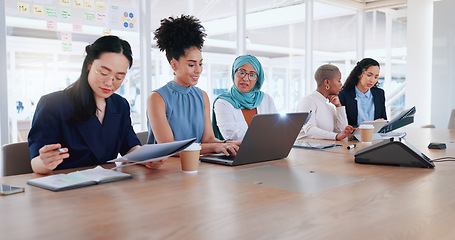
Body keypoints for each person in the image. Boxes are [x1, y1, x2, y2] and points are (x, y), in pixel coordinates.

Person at [28, 35, 158, 174]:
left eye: (119, 77)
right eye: (103, 73)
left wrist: (147, 157)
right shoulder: (52, 104)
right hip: (66, 186)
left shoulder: (120, 105)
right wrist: (45, 162)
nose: (109, 83)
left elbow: (130, 147)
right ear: (89, 64)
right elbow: (36, 162)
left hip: (107, 184)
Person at [147, 15, 240, 158]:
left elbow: (208, 139)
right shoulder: (157, 98)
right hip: (165, 170)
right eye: (191, 65)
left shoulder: (202, 96)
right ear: (174, 64)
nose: (198, 70)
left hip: (196, 166)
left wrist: (227, 144)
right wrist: (215, 146)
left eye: (200, 63)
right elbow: (169, 147)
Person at [212, 55, 277, 141]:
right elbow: (232, 136)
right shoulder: (223, 102)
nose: (246, 78)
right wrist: (267, 136)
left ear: (257, 79)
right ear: (234, 73)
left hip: (268, 151)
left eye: (252, 75)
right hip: (237, 153)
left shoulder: (266, 99)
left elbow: (277, 129)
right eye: (241, 72)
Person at [296, 64, 354, 140]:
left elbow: (341, 132)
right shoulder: (309, 101)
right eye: (339, 80)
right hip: (307, 149)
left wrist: (339, 106)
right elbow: (309, 130)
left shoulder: (330, 106)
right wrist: (335, 136)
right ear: (327, 82)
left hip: (325, 149)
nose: (341, 84)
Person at [338, 58, 387, 127]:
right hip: (353, 136)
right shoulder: (344, 94)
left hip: (374, 136)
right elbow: (342, 124)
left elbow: (384, 119)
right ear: (359, 74)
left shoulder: (379, 94)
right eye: (369, 75)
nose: (372, 80)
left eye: (376, 77)